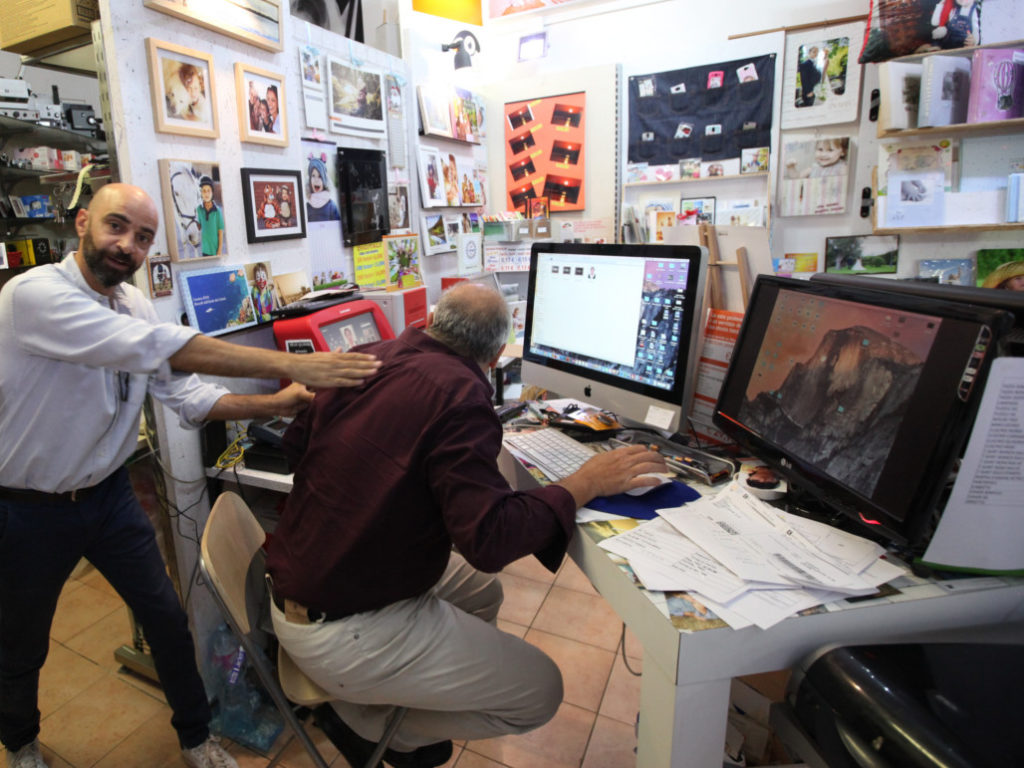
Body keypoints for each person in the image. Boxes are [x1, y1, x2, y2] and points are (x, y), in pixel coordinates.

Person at [0, 184, 380, 768]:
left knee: (168, 619)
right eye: (116, 226)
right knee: (21, 642)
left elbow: (188, 397)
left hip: (107, 498)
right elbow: (159, 347)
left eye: (143, 237)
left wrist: (276, 404)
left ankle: (195, 738)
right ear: (82, 223)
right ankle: (21, 742)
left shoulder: (134, 304)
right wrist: (293, 362)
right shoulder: (33, 295)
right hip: (29, 509)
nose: (127, 245)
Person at [264, 282, 667, 768]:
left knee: (482, 592)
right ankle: (371, 726)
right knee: (541, 692)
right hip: (342, 626)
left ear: (433, 319)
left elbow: (295, 446)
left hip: (301, 581)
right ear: (497, 356)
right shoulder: (461, 398)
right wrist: (583, 483)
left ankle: (413, 692)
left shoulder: (367, 356)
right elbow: (490, 540)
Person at [305, 154, 340, 223]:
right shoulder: (307, 207)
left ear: (324, 179)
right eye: (313, 176)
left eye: (320, 176)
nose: (316, 180)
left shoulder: (331, 206)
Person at [195, 175, 225, 257]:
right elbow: (199, 227)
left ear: (212, 192)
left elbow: (220, 232)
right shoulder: (199, 209)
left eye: (209, 191)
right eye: (204, 191)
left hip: (215, 250)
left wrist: (219, 251)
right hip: (205, 249)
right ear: (201, 193)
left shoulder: (217, 211)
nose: (206, 194)